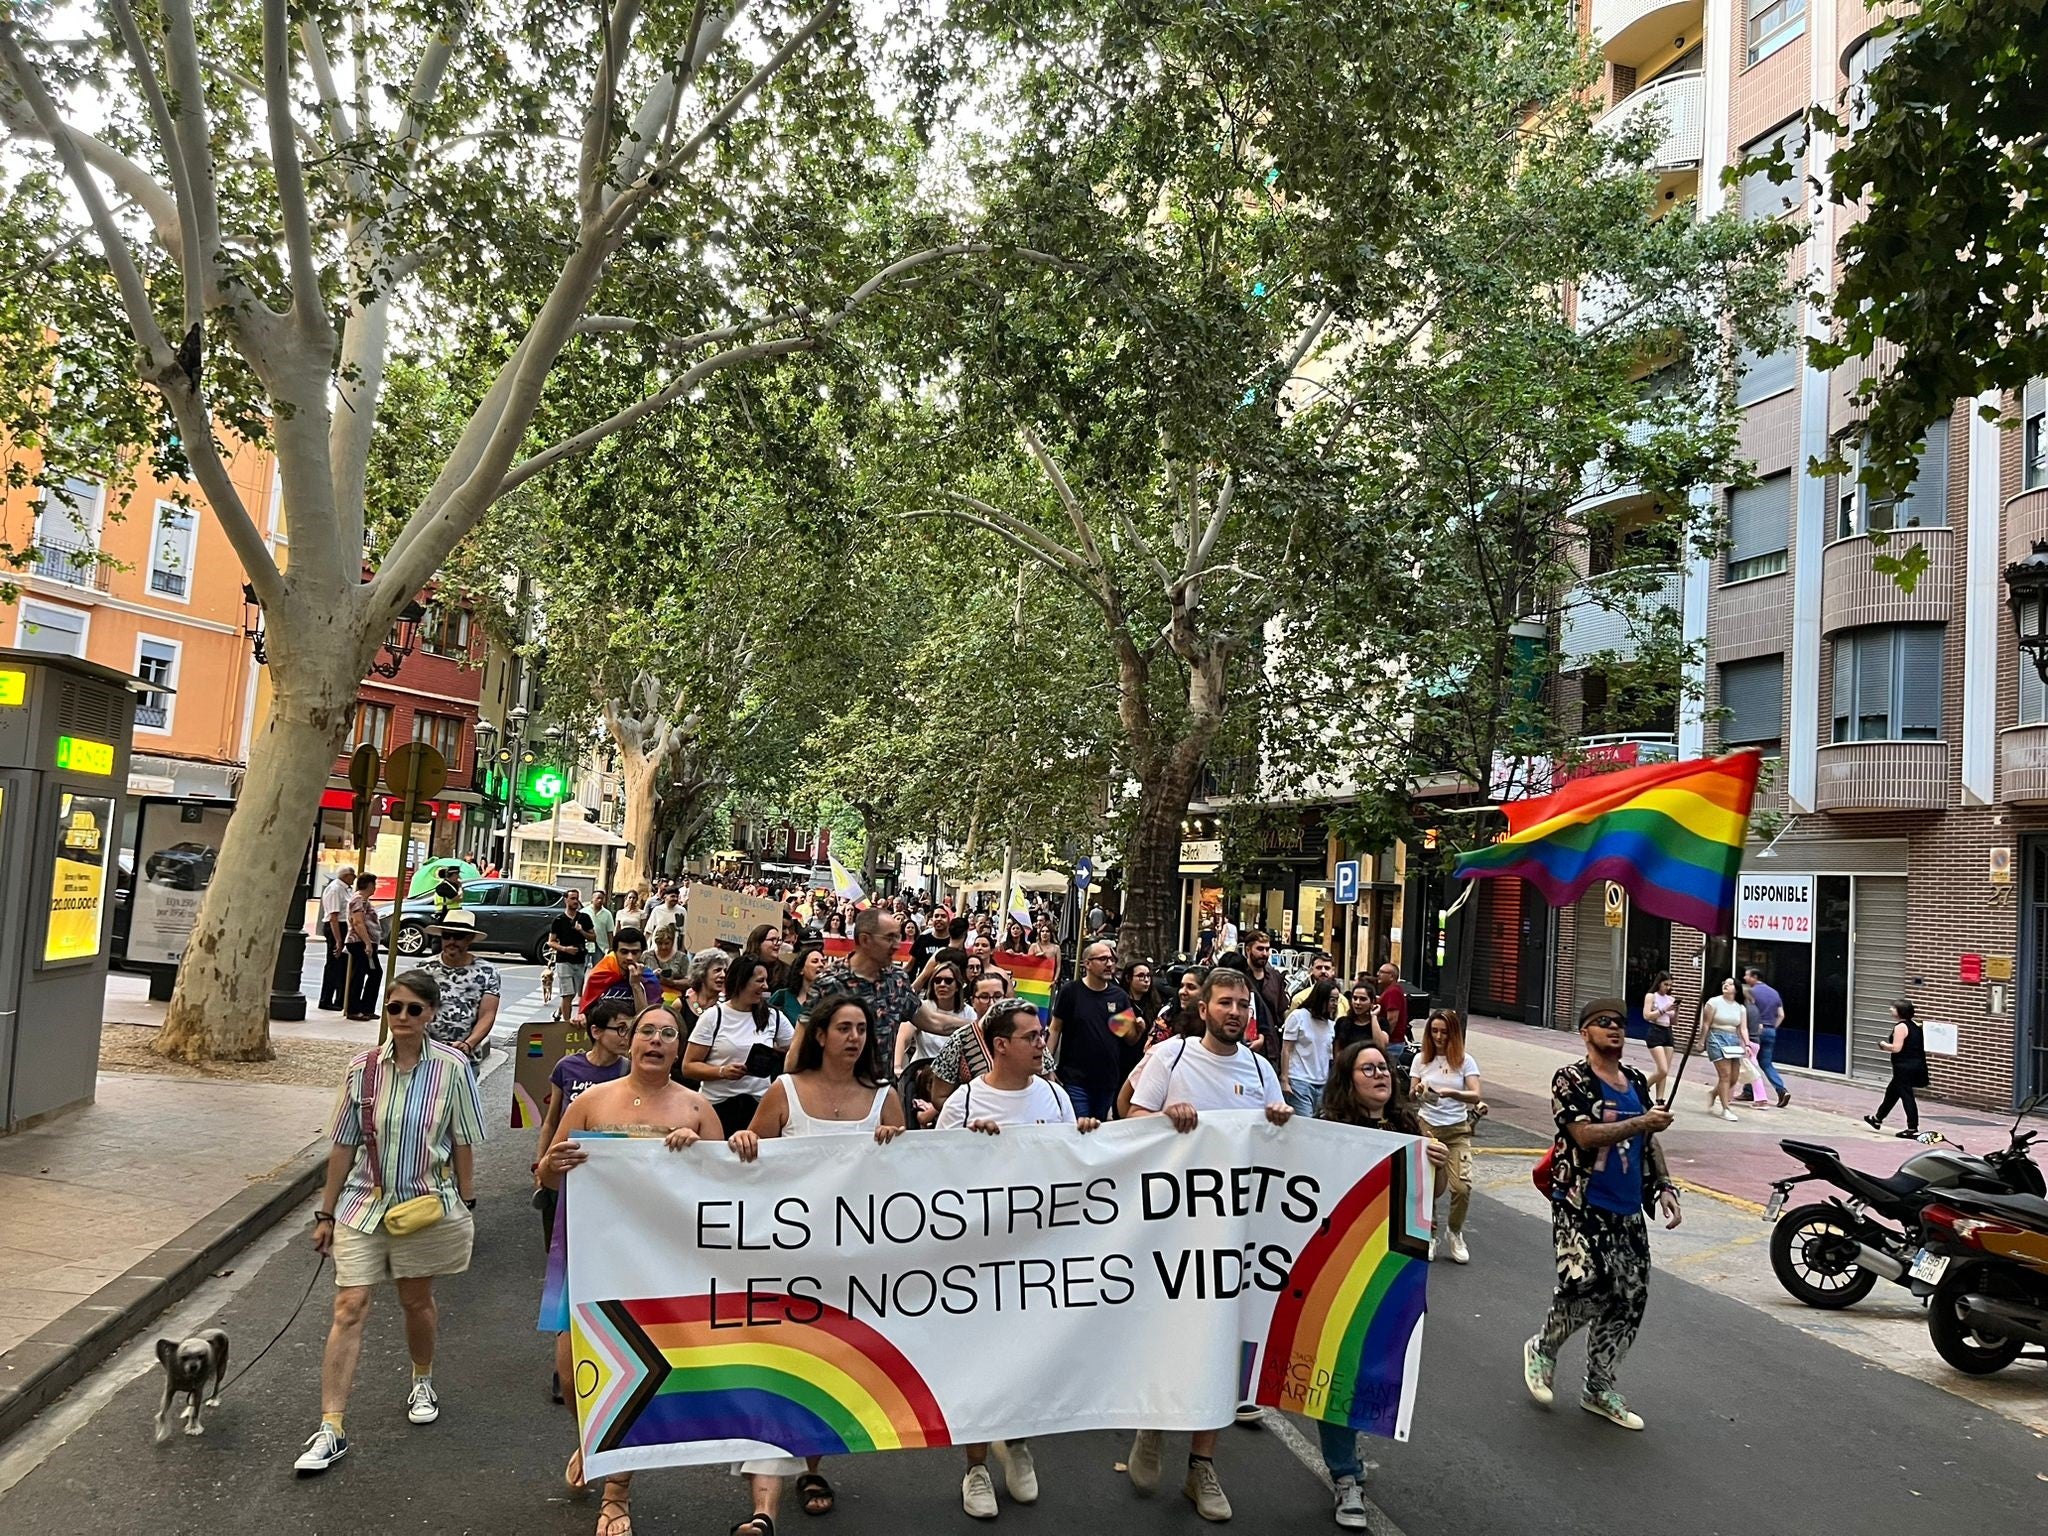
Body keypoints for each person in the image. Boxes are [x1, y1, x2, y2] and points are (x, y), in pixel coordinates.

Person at [538, 1005, 724, 1536]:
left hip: (657, 1266)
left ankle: (616, 1494)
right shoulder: (592, 1102)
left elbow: (724, 1195)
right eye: (647, 1031)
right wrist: (556, 1164)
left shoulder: (696, 1107)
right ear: (630, 1039)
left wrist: (701, 1154)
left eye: (670, 1034)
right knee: (575, 1374)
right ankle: (592, 1441)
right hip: (588, 1254)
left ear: (678, 1046)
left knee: (632, 1375)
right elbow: (550, 1176)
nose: (657, 1040)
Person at [294, 970, 484, 1475]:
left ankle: (421, 1377)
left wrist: (466, 1200)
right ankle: (331, 1426)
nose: (402, 1018)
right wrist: (325, 1212)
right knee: (349, 1304)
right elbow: (343, 1143)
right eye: (394, 1008)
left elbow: (463, 1140)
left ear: (431, 1015)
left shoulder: (452, 1068)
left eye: (413, 1010)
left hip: (424, 1206)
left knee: (415, 1300)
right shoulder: (362, 1069)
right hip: (363, 1204)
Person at [730, 993, 908, 1520]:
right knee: (778, 1366)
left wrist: (895, 1144)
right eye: (844, 1027)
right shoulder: (784, 1091)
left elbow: (912, 1177)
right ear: (822, 1035)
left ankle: (811, 1466)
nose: (854, 1037)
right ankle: (764, 1511)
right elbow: (748, 1160)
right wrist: (742, 1139)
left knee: (827, 1366)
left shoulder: (884, 1098)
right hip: (786, 1261)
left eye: (862, 1028)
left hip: (852, 1265)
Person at [1125, 967, 1292, 1521]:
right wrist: (1163, 1116)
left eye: (1243, 1004)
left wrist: (1279, 1120)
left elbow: (1285, 1143)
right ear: (1205, 1009)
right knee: (1173, 1335)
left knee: (1223, 1343)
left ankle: (1201, 1466)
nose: (1236, 1012)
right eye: (1226, 1003)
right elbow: (1132, 1117)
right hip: (1174, 1229)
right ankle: (1154, 1423)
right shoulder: (1170, 1059)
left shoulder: (1261, 1068)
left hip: (1237, 1232)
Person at [934, 997, 1096, 1518]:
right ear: (1000, 1045)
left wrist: (1090, 1139)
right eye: (1030, 1036)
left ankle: (1019, 1443)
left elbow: (1076, 1166)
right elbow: (933, 1177)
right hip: (980, 1257)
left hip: (1041, 1255)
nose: (1041, 1043)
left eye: (1042, 1033)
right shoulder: (962, 1102)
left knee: (1029, 1359)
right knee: (982, 1362)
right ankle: (976, 1466)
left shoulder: (1054, 1096)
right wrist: (971, 1149)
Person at [1522, 999, 1681, 1434]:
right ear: (1585, 1032)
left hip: (1628, 1211)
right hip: (1580, 1204)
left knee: (1629, 1300)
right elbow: (1583, 1135)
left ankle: (1599, 1386)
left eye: (1620, 1024)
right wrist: (1642, 1122)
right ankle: (1543, 1347)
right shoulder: (1570, 1079)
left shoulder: (1632, 1080)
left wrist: (1664, 1185)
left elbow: (1649, 1139)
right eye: (1603, 1023)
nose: (1615, 1029)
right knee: (1585, 1286)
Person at [1317, 1041, 1447, 1527]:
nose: (1380, 1075)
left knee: (1377, 1365)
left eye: (1384, 1068)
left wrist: (1434, 1163)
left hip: (1393, 1268)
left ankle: (1348, 1459)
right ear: (1348, 1078)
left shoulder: (1409, 1128)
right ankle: (1345, 1475)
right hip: (1339, 1267)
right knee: (1338, 1371)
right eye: (1367, 1068)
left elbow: (1429, 1196)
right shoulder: (1330, 1129)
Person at [531, 998, 631, 1253]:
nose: (626, 1037)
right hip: (568, 1166)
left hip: (610, 1173)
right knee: (561, 1247)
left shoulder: (630, 1070)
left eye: (630, 1030)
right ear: (596, 1032)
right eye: (620, 1029)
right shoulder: (567, 1067)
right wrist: (541, 1165)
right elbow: (551, 1121)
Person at [680, 952, 795, 1136]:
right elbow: (688, 1067)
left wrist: (776, 1056)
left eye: (766, 980)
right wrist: (721, 1072)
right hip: (717, 1108)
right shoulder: (713, 1016)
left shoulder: (773, 1017)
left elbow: (797, 1051)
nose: (765, 986)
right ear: (742, 981)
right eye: (759, 981)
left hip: (759, 1109)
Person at [1414, 1008, 1484, 1264]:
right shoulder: (1421, 1059)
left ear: (1454, 1033)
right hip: (1428, 1128)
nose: (1439, 1037)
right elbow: (1411, 1094)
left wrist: (1450, 1093)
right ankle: (1430, 1233)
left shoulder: (1465, 1061)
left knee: (1462, 1187)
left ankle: (1454, 1232)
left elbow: (1476, 1094)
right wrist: (1421, 1090)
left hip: (1456, 1130)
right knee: (1429, 1187)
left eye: (1444, 1032)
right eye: (1434, 1031)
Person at [817, 908, 917, 1082]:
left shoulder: (898, 979)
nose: (897, 945)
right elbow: (801, 1043)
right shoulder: (829, 982)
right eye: (889, 938)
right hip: (836, 1092)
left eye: (898, 937)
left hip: (882, 1091)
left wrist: (977, 1024)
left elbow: (930, 1020)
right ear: (865, 940)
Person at [1048, 940, 1133, 1121]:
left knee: (1100, 1130)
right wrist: (1047, 1067)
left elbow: (1128, 1038)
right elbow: (1055, 1029)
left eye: (1111, 959)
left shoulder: (1119, 997)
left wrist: (1136, 1028)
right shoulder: (1071, 992)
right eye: (1103, 959)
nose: (1109, 964)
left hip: (1107, 1080)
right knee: (1080, 1129)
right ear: (1087, 963)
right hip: (1075, 1079)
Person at [416, 910, 502, 1063]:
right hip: (425, 1054)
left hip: (464, 1057)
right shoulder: (423, 969)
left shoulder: (488, 971)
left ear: (469, 939)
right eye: (446, 935)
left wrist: (468, 1044)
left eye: (458, 937)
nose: (451, 941)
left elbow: (487, 1015)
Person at [929, 972, 1011, 1108]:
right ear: (973, 1002)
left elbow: (1048, 1083)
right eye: (984, 997)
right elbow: (939, 1097)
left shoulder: (1025, 1033)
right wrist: (971, 1112)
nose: (992, 1003)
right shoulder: (959, 1040)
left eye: (998, 996)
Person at [897, 960, 972, 1077]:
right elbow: (902, 1038)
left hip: (954, 1074)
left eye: (948, 981)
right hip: (922, 1071)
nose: (942, 984)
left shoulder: (968, 1013)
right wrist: (897, 1066)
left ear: (958, 986)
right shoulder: (922, 1007)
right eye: (937, 980)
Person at [1865, 999, 1928, 1137]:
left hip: (1904, 1067)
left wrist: (1883, 1044)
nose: (1890, 1010)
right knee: (1892, 1093)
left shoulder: (1901, 1027)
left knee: (1907, 1096)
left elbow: (1896, 1048)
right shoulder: (1915, 1026)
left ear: (1900, 1011)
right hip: (1914, 1064)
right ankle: (1877, 1119)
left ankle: (1912, 1128)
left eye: (1893, 1008)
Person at [1281, 980, 1341, 1119]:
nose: (1335, 1004)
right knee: (1305, 1123)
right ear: (1321, 998)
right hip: (1299, 1079)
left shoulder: (1330, 1024)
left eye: (1337, 1000)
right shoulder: (1298, 1016)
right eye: (1332, 999)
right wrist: (1285, 1080)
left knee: (1318, 1124)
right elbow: (1286, 1049)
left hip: (1322, 1082)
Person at [577, 926, 663, 1017]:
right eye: (624, 952)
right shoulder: (601, 975)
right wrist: (581, 1017)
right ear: (615, 952)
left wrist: (636, 985)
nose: (629, 957)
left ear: (642, 953)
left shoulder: (648, 979)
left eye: (635, 952)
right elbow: (587, 1012)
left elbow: (649, 1019)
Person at [1699, 977, 1749, 1121]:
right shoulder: (1713, 1002)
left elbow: (1743, 1028)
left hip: (1733, 1039)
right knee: (1725, 1075)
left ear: (1736, 989)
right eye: (1724, 983)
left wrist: (1747, 1043)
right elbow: (1706, 1024)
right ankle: (1725, 1109)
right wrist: (1702, 1041)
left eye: (1730, 984)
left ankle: (1713, 1094)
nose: (1726, 985)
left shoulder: (1740, 1007)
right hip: (1716, 1038)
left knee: (1733, 1078)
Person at [1743, 964, 1791, 1109]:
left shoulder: (1751, 992)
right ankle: (1781, 1089)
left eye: (1747, 975)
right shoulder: (1774, 993)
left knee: (1749, 1061)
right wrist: (1772, 1027)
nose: (1744, 977)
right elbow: (1781, 1015)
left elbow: (1748, 1012)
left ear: (1755, 977)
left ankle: (1749, 1092)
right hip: (1770, 1031)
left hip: (1755, 1031)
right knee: (1765, 1063)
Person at [548, 890, 596, 1023]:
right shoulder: (558, 920)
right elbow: (551, 941)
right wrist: (565, 949)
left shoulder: (584, 918)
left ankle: (559, 1012)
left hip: (580, 960)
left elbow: (593, 938)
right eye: (573, 898)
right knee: (567, 994)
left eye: (577, 899)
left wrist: (581, 930)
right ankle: (566, 1023)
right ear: (566, 900)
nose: (575, 901)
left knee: (572, 993)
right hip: (563, 961)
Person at [1243, 931, 1290, 1067]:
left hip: (1271, 1047)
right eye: (1260, 949)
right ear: (1248, 949)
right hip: (1245, 1043)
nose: (1264, 953)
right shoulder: (1239, 976)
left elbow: (1281, 1011)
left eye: (1267, 949)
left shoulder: (1275, 977)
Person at [344, 872, 382, 1021]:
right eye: (374, 884)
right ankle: (354, 1009)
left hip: (367, 942)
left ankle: (366, 1007)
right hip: (359, 942)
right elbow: (358, 922)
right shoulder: (357, 900)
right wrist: (367, 942)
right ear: (369, 885)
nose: (375, 888)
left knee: (373, 973)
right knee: (362, 974)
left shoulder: (364, 901)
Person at [318, 866, 355, 1011]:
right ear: (346, 876)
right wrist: (338, 940)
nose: (354, 878)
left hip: (344, 926)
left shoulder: (346, 889)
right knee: (333, 964)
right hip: (336, 927)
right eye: (353, 875)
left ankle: (340, 999)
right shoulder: (335, 889)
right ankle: (326, 999)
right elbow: (333, 917)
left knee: (342, 966)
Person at [1640, 973, 1678, 1105]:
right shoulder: (1651, 996)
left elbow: (1674, 1021)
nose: (1667, 987)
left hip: (1667, 1031)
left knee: (1665, 1069)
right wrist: (1663, 1009)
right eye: (1665, 984)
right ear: (1659, 983)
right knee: (1662, 1069)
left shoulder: (1670, 999)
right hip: (1655, 1030)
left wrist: (1676, 1010)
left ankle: (1660, 1098)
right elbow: (1647, 1015)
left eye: (1670, 985)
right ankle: (1644, 1087)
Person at [770, 942, 825, 1027]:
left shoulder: (828, 999)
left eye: (823, 962)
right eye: (815, 961)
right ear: (801, 970)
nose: (821, 965)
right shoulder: (782, 996)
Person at [1335, 979, 1387, 1055]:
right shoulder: (1342, 1022)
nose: (1357, 1003)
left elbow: (1381, 1046)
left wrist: (1373, 1017)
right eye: (1355, 998)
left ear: (1372, 1001)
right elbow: (1337, 1050)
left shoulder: (1381, 1023)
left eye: (1363, 999)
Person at [1375, 963, 1411, 1066]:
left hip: (1391, 1044)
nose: (1378, 974)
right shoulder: (1391, 991)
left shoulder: (1393, 992)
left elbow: (1392, 1019)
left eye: (1382, 972)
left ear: (1391, 976)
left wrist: (1383, 1039)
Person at [743, 922, 787, 993]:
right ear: (758, 943)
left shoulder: (786, 971)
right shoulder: (742, 967)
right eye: (772, 940)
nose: (777, 944)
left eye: (778, 940)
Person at [589, 890, 616, 955]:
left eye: (602, 898)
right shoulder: (584, 912)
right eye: (598, 898)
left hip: (601, 946)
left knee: (599, 964)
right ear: (592, 899)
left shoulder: (607, 914)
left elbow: (610, 932)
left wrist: (611, 948)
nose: (600, 900)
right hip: (587, 945)